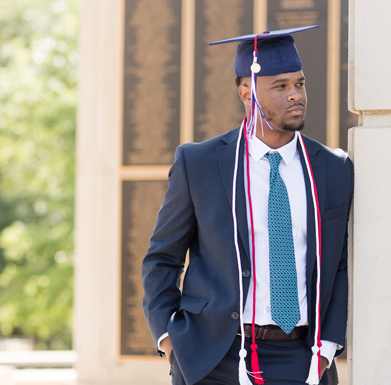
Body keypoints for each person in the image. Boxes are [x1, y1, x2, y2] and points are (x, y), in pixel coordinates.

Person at [142, 26, 353, 385]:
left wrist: (328, 345)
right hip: (212, 357)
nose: (295, 96)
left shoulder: (333, 167)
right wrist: (168, 337)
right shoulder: (201, 163)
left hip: (301, 357)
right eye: (281, 86)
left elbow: (339, 263)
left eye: (299, 84)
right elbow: (163, 256)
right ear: (247, 92)